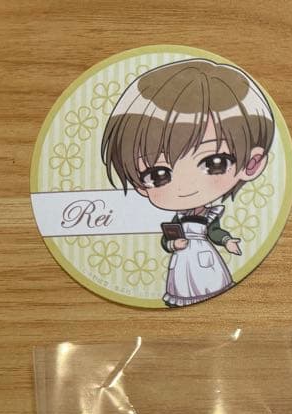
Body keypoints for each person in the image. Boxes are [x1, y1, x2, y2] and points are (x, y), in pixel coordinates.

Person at [101, 59, 274, 306]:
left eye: (214, 162)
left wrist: (228, 241)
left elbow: (215, 232)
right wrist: (173, 243)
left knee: (209, 283)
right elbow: (165, 240)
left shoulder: (210, 215)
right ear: (140, 185)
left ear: (252, 164)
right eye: (158, 174)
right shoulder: (177, 219)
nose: (186, 186)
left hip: (205, 258)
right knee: (182, 286)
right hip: (183, 259)